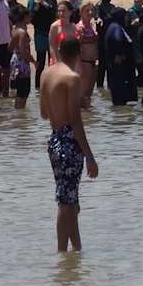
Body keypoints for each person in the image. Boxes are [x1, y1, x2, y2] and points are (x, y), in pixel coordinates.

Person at [40, 36, 98, 252]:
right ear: (79, 53)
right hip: (69, 143)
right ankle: (62, 253)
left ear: (60, 50)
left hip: (54, 139)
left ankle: (75, 253)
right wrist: (90, 156)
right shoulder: (72, 78)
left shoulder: (46, 74)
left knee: (71, 201)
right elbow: (75, 121)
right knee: (66, 204)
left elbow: (44, 113)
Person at [102, 7, 136, 106]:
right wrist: (120, 54)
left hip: (115, 67)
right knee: (120, 96)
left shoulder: (113, 26)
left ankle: (119, 113)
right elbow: (118, 39)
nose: (126, 18)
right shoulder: (116, 27)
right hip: (118, 67)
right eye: (125, 16)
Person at [28, 0, 58, 81]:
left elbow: (54, 13)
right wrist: (36, 6)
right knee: (40, 62)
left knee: (52, 61)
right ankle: (38, 86)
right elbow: (30, 19)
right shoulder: (32, 0)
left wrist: (44, 3)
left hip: (52, 33)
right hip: (40, 34)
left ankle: (52, 84)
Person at [9, 5, 35, 109]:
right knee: (24, 91)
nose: (31, 18)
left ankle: (18, 114)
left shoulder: (14, 29)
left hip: (15, 61)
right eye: (29, 16)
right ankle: (20, 113)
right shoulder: (22, 32)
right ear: (24, 17)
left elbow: (10, 47)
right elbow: (23, 51)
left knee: (20, 91)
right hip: (22, 63)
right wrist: (34, 61)